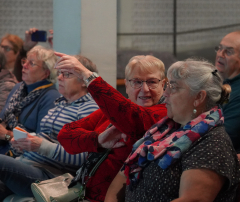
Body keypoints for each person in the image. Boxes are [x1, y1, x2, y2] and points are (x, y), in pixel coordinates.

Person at [105, 59, 240, 202]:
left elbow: (193, 199)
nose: (166, 93)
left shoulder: (212, 143)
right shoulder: (163, 129)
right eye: (167, 86)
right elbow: (122, 178)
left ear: (198, 97)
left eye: (173, 87)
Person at [56, 53, 167, 202]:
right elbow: (65, 134)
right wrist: (98, 141)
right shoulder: (110, 111)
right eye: (137, 82)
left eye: (152, 82)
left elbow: (134, 118)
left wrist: (88, 76)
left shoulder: (164, 113)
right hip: (82, 193)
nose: (145, 89)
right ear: (126, 85)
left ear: (163, 84)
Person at [0, 54, 99, 200]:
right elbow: (45, 138)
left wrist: (41, 146)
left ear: (84, 80)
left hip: (52, 175)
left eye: (67, 74)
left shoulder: (89, 109)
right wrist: (23, 143)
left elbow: (86, 157)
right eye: (59, 73)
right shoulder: (60, 104)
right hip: (28, 162)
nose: (59, 78)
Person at [0, 45, 60, 154]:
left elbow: (40, 143)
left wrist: (7, 135)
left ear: (46, 73)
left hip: (24, 157)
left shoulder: (51, 98)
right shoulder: (18, 88)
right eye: (25, 61)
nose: (24, 66)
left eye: (31, 63)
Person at [215, 31, 240, 152]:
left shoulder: (237, 94)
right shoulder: (220, 81)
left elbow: (225, 139)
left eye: (228, 52)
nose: (220, 54)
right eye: (219, 48)